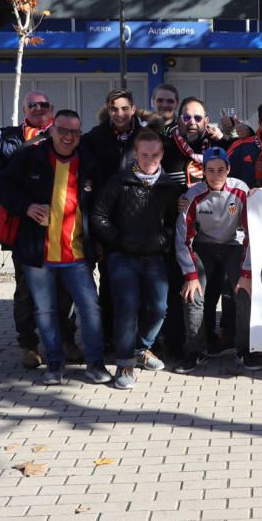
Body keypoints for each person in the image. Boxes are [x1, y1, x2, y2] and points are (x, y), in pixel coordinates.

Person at [0, 110, 111, 386]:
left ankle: (95, 364)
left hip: (77, 253)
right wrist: (27, 206)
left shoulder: (88, 161)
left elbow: (98, 205)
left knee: (90, 309)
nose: (68, 136)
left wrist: (99, 241)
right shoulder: (30, 156)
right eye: (63, 130)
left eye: (74, 131)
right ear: (52, 130)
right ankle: (55, 365)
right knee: (44, 311)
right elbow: (4, 185)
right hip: (39, 253)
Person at [0, 90, 80, 369]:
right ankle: (28, 344)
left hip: (64, 230)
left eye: (44, 104)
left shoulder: (68, 135)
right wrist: (25, 202)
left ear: (52, 108)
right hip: (26, 227)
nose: (38, 108)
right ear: (24, 109)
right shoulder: (9, 138)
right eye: (32, 105)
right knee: (27, 289)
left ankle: (67, 340)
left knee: (65, 290)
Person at [91, 128, 182, 390]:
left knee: (158, 307)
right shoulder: (118, 181)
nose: (150, 160)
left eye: (155, 154)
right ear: (136, 154)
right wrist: (118, 241)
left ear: (162, 154)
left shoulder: (168, 187)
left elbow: (173, 222)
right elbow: (99, 216)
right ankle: (124, 363)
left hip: (154, 257)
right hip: (122, 257)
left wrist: (163, 240)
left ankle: (142, 348)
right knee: (127, 309)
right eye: (144, 155)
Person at [174, 148, 255, 373]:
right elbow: (183, 237)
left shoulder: (240, 191)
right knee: (193, 293)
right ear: (203, 171)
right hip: (204, 245)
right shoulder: (193, 195)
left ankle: (244, 350)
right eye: (210, 170)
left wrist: (247, 273)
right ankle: (196, 351)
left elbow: (252, 233)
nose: (216, 175)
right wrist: (190, 275)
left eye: (221, 169)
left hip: (232, 244)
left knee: (244, 291)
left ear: (228, 169)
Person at [81, 88, 147, 349]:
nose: (119, 114)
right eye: (113, 108)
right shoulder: (94, 138)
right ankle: (109, 338)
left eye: (123, 108)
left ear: (133, 109)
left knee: (142, 283)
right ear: (107, 110)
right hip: (106, 221)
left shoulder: (148, 136)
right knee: (109, 283)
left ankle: (142, 340)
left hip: (141, 220)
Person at [162, 96, 228, 189]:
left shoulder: (219, 146)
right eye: (186, 117)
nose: (192, 122)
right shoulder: (164, 149)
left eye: (198, 118)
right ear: (178, 121)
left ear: (206, 122)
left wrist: (233, 131)